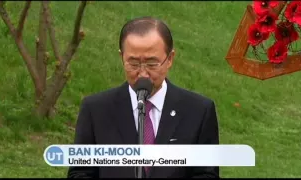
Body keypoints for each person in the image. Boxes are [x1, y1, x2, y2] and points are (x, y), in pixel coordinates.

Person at [67, 16, 219, 178]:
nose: (143, 73)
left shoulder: (198, 111)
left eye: (152, 63)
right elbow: (80, 173)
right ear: (122, 58)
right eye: (133, 64)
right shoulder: (96, 110)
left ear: (170, 59)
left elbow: (206, 174)